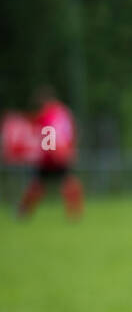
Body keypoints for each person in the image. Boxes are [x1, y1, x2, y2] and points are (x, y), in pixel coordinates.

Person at [16, 87, 82, 220]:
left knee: (40, 184)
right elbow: (71, 131)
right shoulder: (64, 111)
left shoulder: (47, 113)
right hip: (62, 151)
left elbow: (48, 131)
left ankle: (23, 211)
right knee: (66, 181)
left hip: (52, 153)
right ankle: (74, 213)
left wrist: (50, 151)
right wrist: (71, 149)